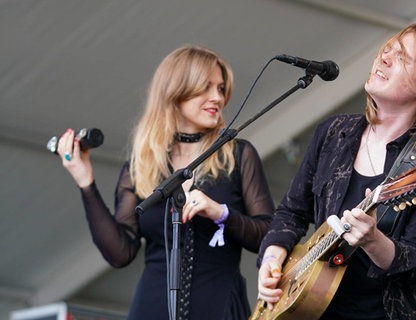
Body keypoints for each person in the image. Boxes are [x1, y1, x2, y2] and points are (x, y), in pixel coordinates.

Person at [256, 21, 416, 320]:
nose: (384, 58)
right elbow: (292, 212)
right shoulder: (333, 133)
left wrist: (373, 240)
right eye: (386, 49)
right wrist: (272, 259)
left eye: (402, 57)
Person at [57, 45, 275, 320]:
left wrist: (222, 213)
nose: (216, 98)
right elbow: (120, 253)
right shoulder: (144, 166)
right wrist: (85, 181)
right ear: (175, 91)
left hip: (219, 308)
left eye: (220, 89)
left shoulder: (238, 155)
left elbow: (270, 234)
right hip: (152, 307)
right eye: (205, 87)